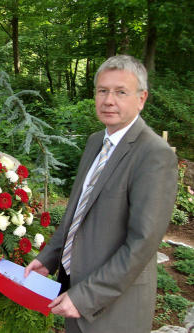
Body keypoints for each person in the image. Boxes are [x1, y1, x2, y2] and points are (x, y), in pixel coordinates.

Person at [24, 55, 178, 333]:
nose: (109, 100)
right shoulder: (97, 141)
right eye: (102, 90)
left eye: (121, 92)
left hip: (113, 309)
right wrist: (48, 259)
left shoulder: (154, 155)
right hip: (75, 293)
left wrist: (86, 297)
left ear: (141, 98)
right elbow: (77, 212)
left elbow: (141, 244)